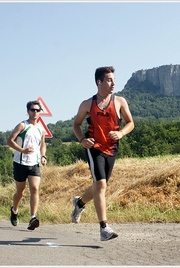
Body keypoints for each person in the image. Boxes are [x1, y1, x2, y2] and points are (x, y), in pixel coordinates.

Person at [71, 66, 134, 241]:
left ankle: (79, 203)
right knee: (101, 186)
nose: (113, 83)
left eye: (114, 79)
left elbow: (130, 123)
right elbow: (76, 125)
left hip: (112, 149)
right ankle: (104, 228)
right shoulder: (87, 104)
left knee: (100, 185)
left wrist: (121, 133)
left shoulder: (120, 101)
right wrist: (83, 140)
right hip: (94, 148)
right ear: (99, 82)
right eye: (109, 80)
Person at [7, 100, 47, 231]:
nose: (35, 112)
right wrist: (22, 150)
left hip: (34, 163)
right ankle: (14, 210)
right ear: (28, 111)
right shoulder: (22, 125)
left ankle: (32, 218)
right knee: (20, 192)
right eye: (32, 110)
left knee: (35, 189)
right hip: (20, 162)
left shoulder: (41, 129)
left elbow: (43, 145)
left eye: (37, 110)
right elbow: (10, 141)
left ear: (40, 112)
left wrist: (43, 156)